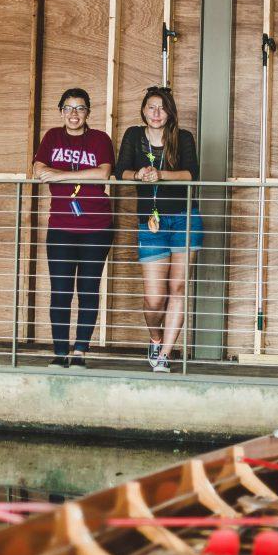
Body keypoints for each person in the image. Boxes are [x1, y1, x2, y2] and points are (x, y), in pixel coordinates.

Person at [114, 86, 201, 374]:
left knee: (177, 288)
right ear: (143, 110)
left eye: (162, 108)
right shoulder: (133, 136)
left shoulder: (183, 137)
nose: (156, 113)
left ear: (170, 112)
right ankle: (155, 338)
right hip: (151, 222)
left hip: (184, 218)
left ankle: (164, 355)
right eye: (151, 107)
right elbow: (120, 171)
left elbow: (191, 174)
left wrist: (160, 175)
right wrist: (138, 174)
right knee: (154, 298)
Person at [32, 88, 115, 369]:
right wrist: (70, 175)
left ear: (88, 112)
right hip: (61, 227)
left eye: (80, 108)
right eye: (68, 108)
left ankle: (80, 351)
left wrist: (61, 175)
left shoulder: (100, 139)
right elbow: (38, 170)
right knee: (60, 291)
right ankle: (60, 352)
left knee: (88, 289)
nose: (74, 114)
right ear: (61, 111)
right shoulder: (52, 137)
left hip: (97, 226)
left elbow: (103, 173)